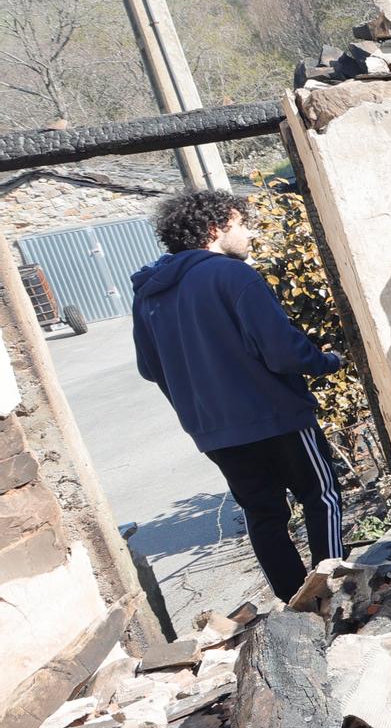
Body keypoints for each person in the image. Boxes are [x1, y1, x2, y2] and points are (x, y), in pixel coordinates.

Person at [132, 188, 345, 601]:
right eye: (241, 224)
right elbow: (281, 351)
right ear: (214, 228)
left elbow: (149, 368)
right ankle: (332, 594)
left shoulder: (148, 294)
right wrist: (327, 361)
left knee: (264, 516)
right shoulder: (233, 275)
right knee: (322, 497)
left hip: (217, 432)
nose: (249, 234)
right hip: (278, 417)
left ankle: (296, 606)